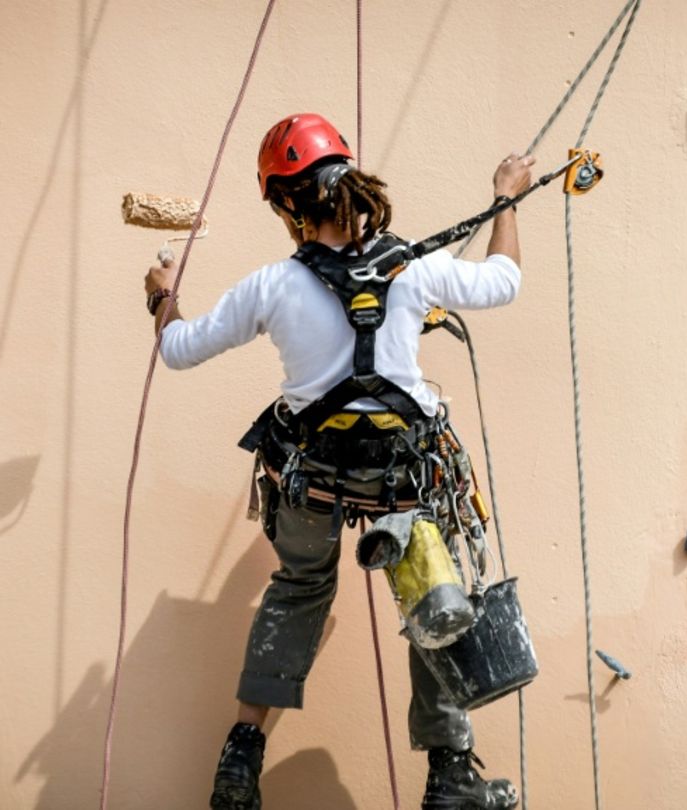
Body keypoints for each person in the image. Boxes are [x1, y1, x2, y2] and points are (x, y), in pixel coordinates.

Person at [142, 112, 535, 810]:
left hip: (311, 482)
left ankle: (240, 759)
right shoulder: (415, 267)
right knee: (431, 595)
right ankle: (449, 775)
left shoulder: (272, 285)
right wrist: (506, 197)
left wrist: (161, 294)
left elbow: (177, 348)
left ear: (289, 206)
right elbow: (503, 280)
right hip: (403, 482)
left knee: (299, 590)